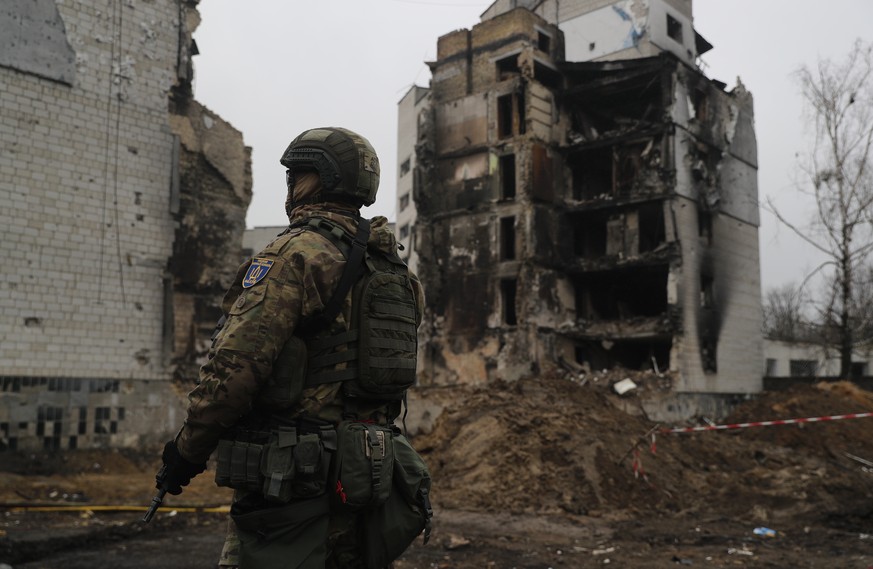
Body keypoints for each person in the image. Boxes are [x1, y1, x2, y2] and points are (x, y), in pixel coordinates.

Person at [155, 127, 430, 569]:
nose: (289, 185)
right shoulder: (395, 268)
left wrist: (186, 453)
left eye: (297, 174)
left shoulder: (296, 254)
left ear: (319, 179)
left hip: (294, 486)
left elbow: (233, 371)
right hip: (368, 476)